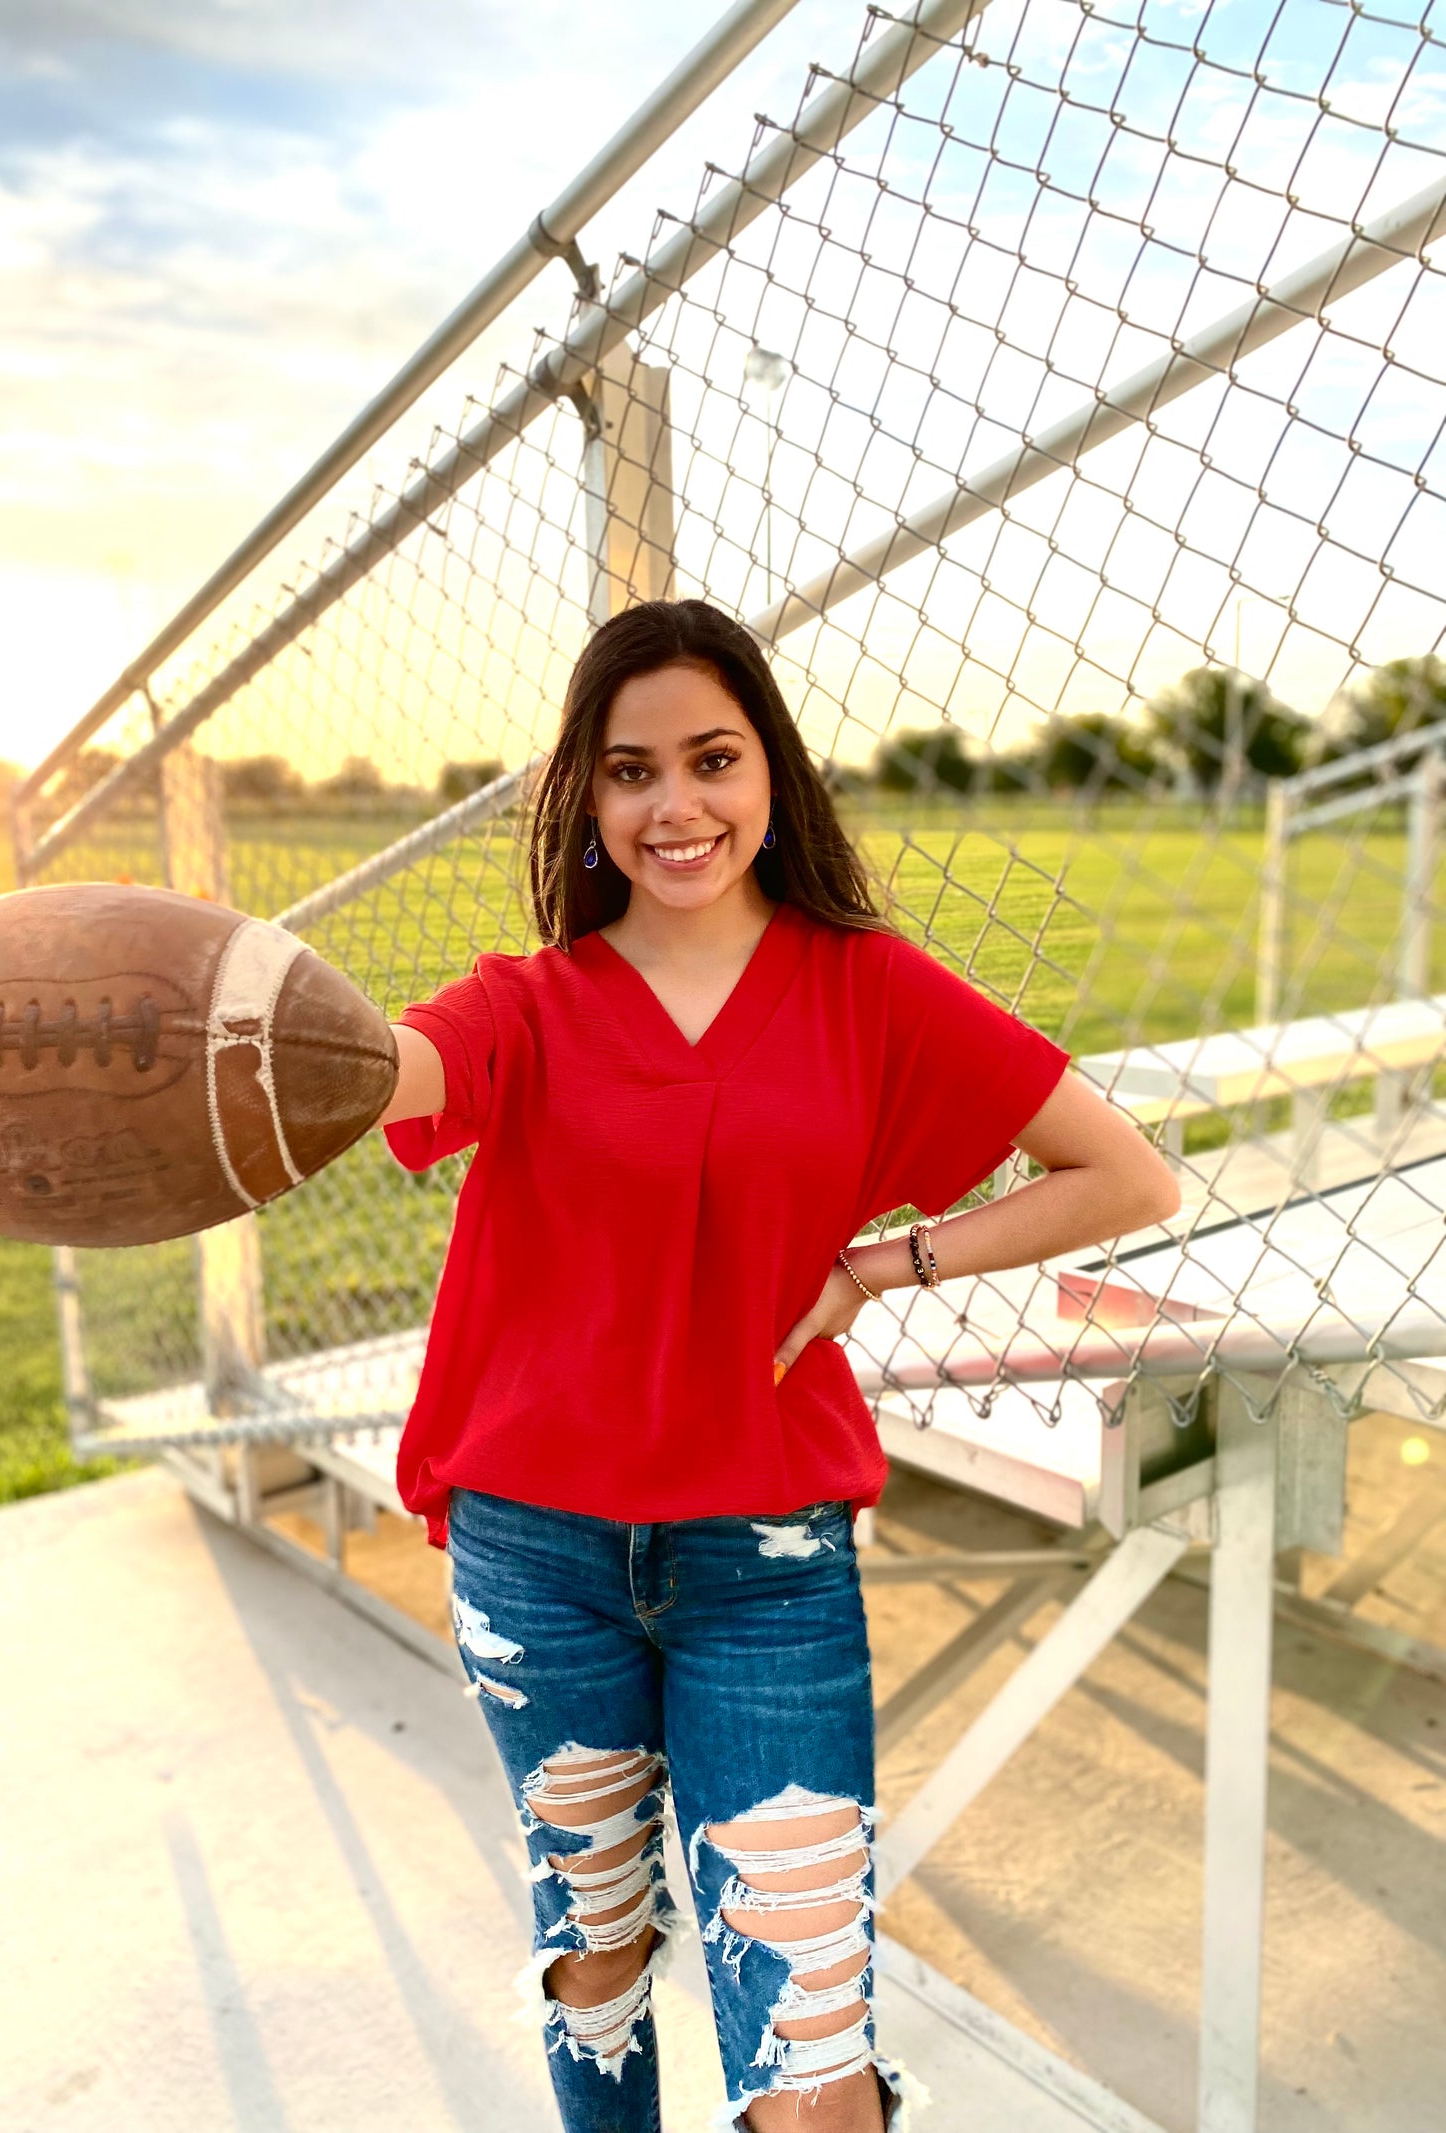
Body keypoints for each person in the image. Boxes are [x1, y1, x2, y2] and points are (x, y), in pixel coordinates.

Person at [374, 599, 1180, 2133]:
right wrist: (244, 1031)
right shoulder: (528, 1004)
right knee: (597, 1956)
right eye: (630, 771)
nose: (673, 805)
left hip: (767, 1563)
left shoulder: (866, 987)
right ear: (588, 802)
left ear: (769, 774)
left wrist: (888, 1261)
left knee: (815, 2067)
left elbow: (1126, 1175)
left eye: (710, 758)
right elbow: (397, 1069)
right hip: (536, 1556)